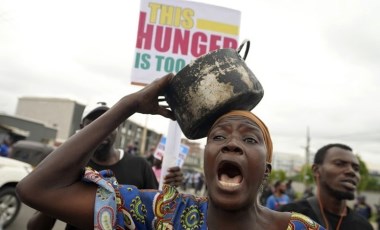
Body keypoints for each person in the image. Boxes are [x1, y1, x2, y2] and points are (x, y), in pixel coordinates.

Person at [17, 73, 325, 229]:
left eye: (250, 139)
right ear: (206, 160)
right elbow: (37, 189)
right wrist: (129, 105)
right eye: (218, 137)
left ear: (267, 170)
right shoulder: (164, 214)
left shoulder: (299, 227)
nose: (232, 143)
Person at [26, 101, 183, 230]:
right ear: (82, 129)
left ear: (118, 128)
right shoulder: (72, 167)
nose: (102, 130)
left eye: (108, 123)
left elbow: (156, 214)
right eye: (94, 124)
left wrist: (168, 188)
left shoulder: (140, 166)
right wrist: (55, 195)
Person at [279, 143, 374, 230]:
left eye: (356, 168)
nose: (351, 171)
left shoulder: (364, 226)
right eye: (339, 164)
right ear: (316, 170)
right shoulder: (288, 216)